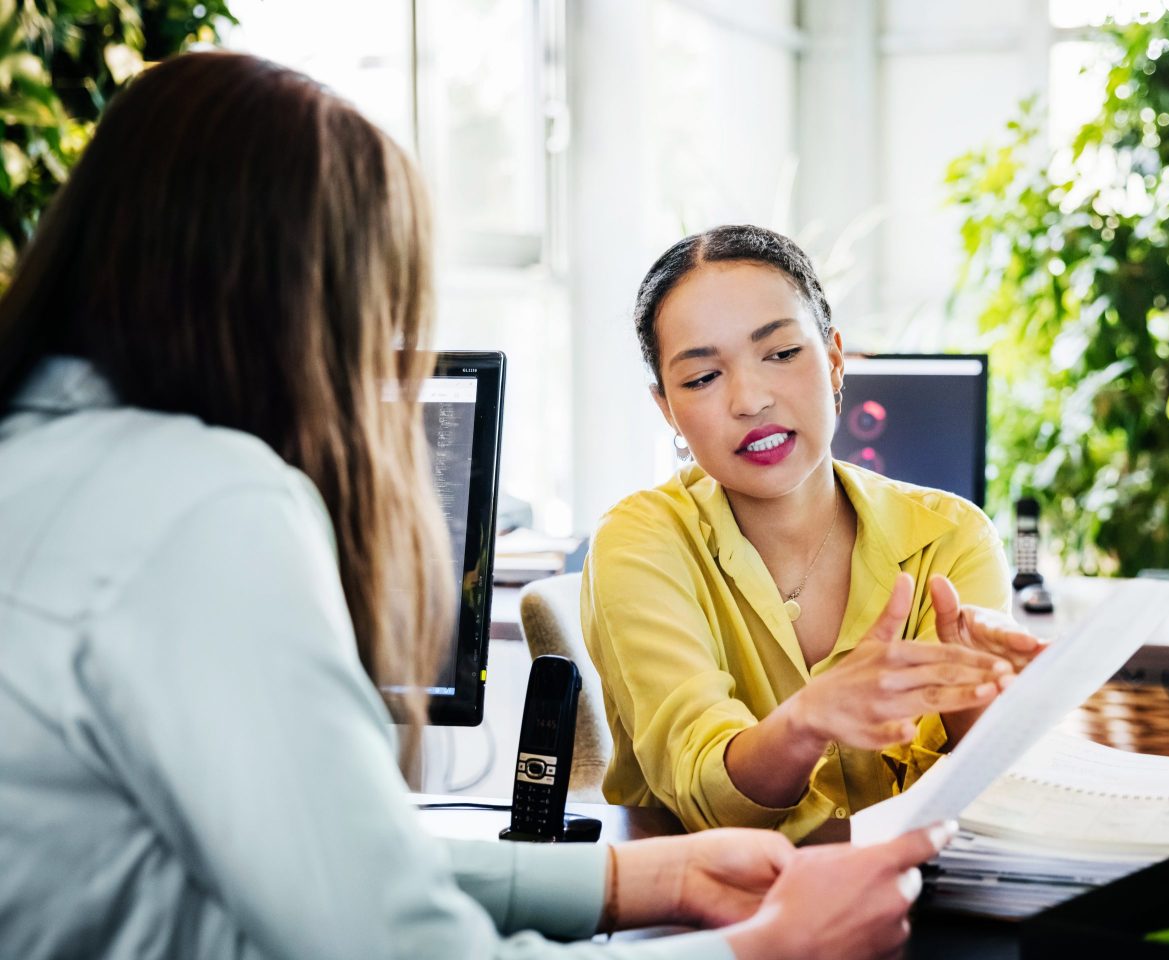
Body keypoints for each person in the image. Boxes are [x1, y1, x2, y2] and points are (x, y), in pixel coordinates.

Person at [0, 53, 951, 960]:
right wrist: (763, 949)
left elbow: (345, 864)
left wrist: (629, 881)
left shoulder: (44, 460)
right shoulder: (206, 506)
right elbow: (392, 945)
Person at [582, 225, 1044, 840]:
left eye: (780, 354)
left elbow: (987, 802)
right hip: (711, 916)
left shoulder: (951, 537)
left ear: (832, 360)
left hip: (926, 904)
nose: (749, 400)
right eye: (701, 379)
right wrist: (807, 721)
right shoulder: (640, 543)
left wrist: (980, 700)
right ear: (666, 407)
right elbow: (704, 799)